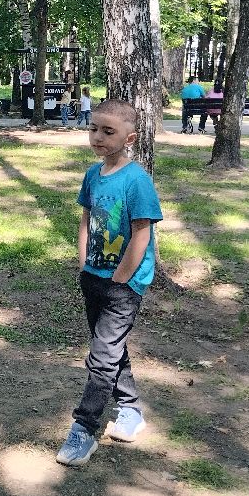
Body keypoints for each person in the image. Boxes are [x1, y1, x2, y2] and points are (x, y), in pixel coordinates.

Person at [56, 99, 163, 467]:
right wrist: (85, 263)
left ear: (129, 138)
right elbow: (86, 221)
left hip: (124, 286)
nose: (97, 136)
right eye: (93, 128)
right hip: (94, 279)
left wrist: (120, 278)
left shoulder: (137, 181)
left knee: (101, 358)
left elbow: (141, 236)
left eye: (108, 131)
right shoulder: (92, 175)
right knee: (110, 349)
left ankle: (83, 429)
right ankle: (131, 412)